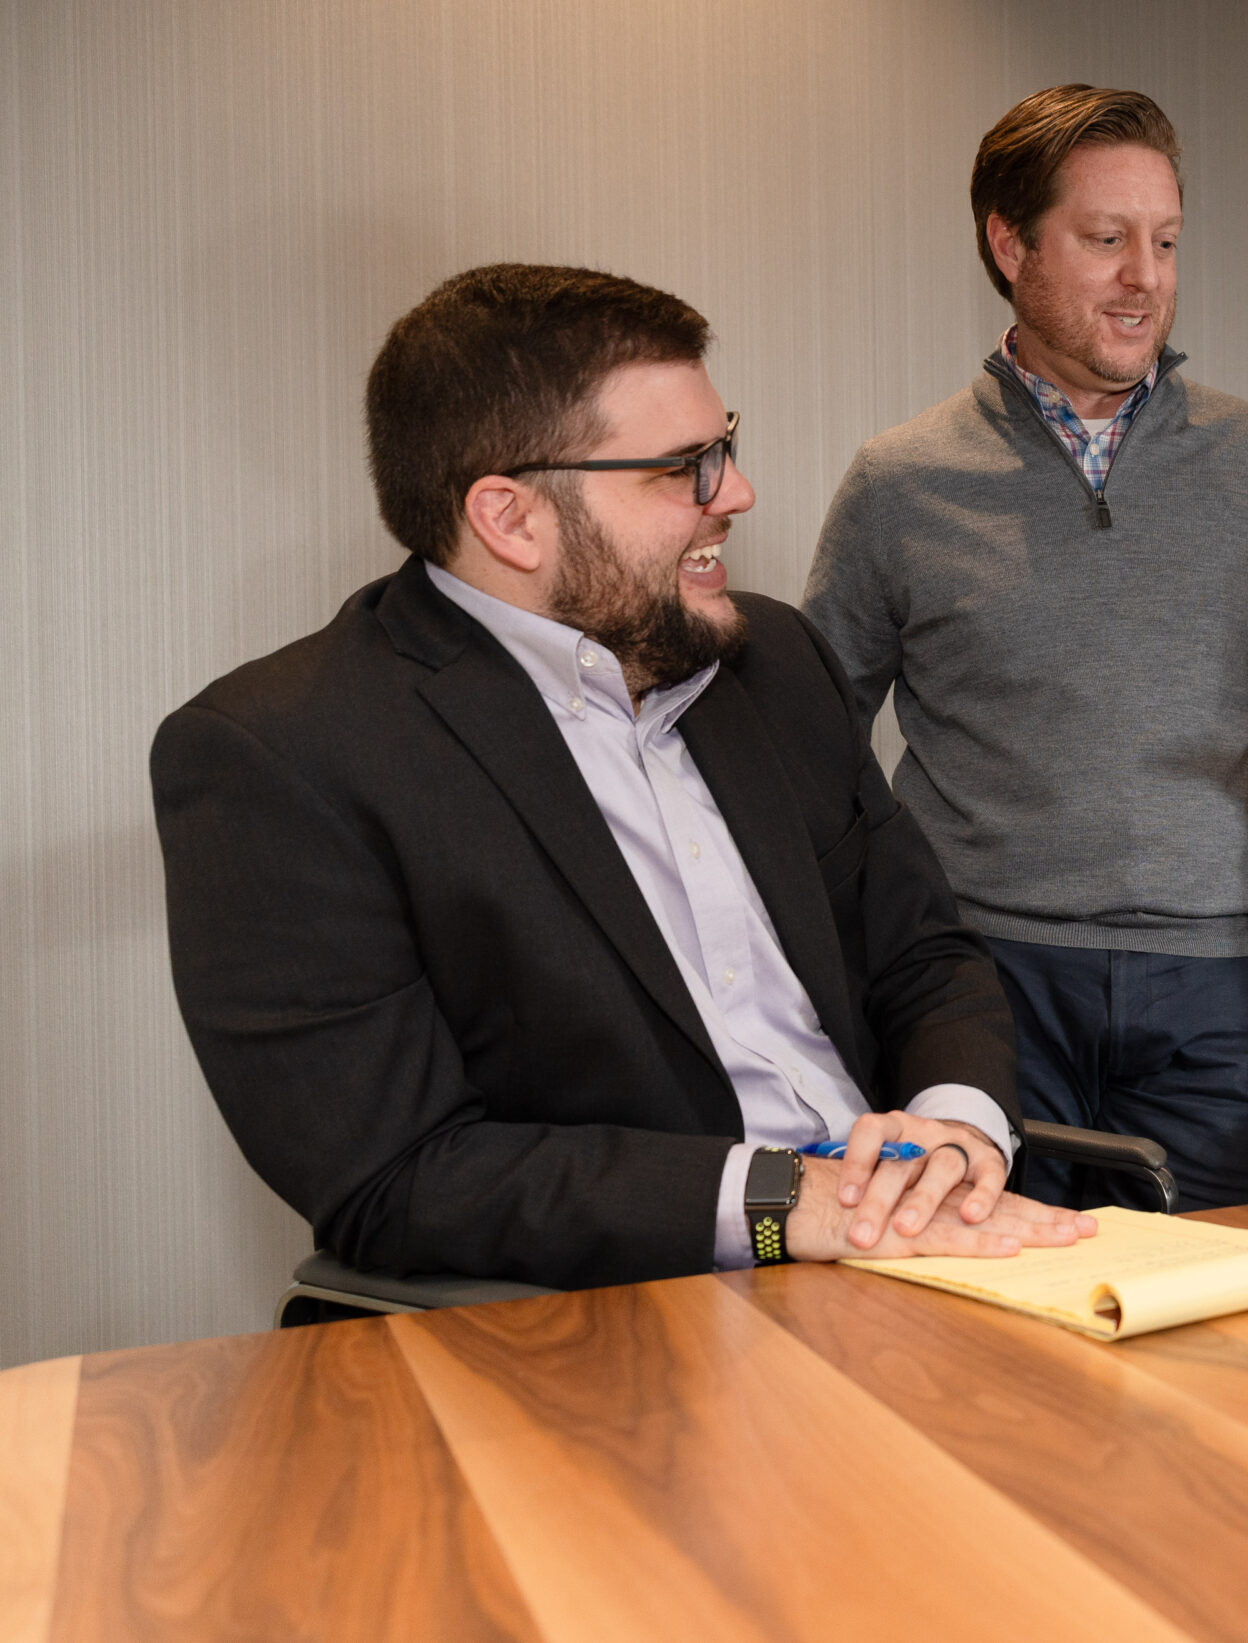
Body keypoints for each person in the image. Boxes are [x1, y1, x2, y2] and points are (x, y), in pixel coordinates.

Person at [151, 264, 1094, 1288]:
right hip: (633, 1317)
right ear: (511, 519)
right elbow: (399, 1177)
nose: (735, 493)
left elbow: (923, 955)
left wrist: (956, 1136)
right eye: (682, 467)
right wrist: (787, 1203)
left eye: (723, 446)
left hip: (911, 1263)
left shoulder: (774, 661)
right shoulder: (281, 755)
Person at [804, 85, 1248, 1212]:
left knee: (1208, 1319)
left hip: (1211, 987)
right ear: (1009, 245)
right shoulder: (900, 482)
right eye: (1106, 240)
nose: (1144, 277)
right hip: (983, 980)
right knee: (988, 1329)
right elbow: (809, 735)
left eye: (1163, 242)